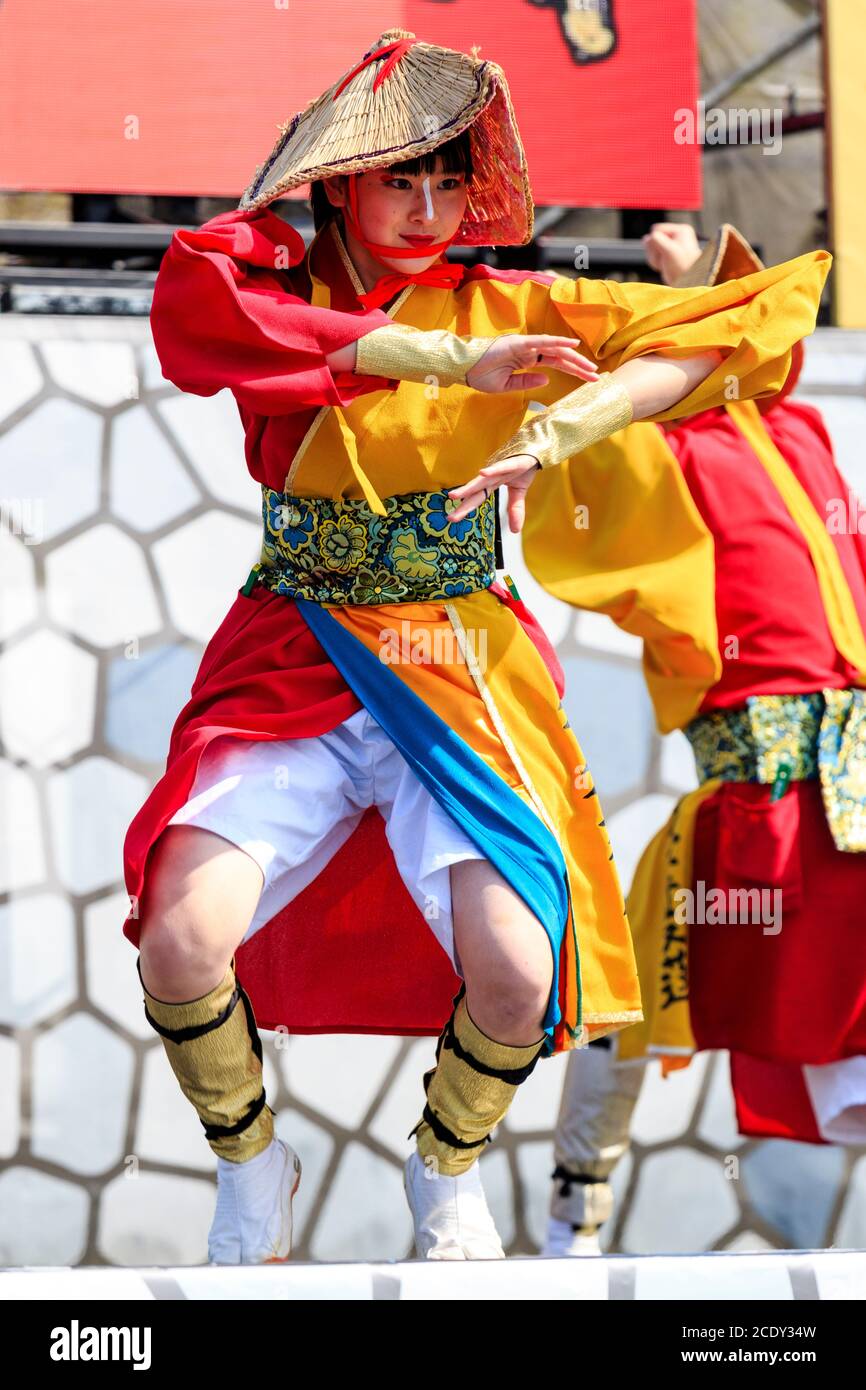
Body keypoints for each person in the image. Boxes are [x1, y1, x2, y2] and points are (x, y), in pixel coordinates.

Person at [123, 30, 831, 1265]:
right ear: (340, 181)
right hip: (293, 650)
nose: (430, 207)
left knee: (515, 968)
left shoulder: (508, 299)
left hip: (456, 662)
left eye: (452, 184)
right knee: (181, 937)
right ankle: (252, 1162)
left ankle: (443, 1166)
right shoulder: (275, 284)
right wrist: (450, 359)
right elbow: (195, 313)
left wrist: (565, 425)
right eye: (404, 179)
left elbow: (736, 327)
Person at [518, 222, 864, 1257]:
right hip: (750, 783)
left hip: (854, 771)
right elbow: (608, 415)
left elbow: (746, 353)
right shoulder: (648, 442)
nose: (734, 336)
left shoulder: (793, 430)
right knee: (633, 988)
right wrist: (658, 325)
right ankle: (570, 1222)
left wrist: (697, 292)